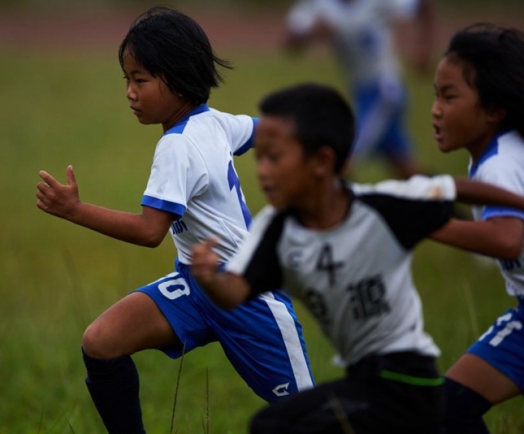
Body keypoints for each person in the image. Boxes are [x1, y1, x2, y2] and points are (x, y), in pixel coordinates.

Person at [35, 7, 313, 433]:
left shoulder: (177, 146)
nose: (129, 91)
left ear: (179, 78)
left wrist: (74, 210)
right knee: (101, 342)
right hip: (195, 285)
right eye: (127, 79)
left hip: (247, 298)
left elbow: (150, 232)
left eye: (140, 80)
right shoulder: (214, 122)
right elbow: (262, 130)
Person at [190, 82, 524, 433]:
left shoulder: (379, 206)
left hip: (409, 379)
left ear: (321, 162)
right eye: (260, 159)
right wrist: (211, 279)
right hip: (364, 381)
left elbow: (455, 188)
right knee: (270, 424)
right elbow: (235, 292)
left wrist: (518, 204)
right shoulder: (275, 229)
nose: (262, 170)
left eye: (274, 158)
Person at [427, 23, 524, 433]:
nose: (435, 108)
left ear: (494, 109)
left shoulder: (499, 163)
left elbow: (506, 238)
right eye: (435, 94)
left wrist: (425, 224)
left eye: (449, 97)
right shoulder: (499, 152)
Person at [283, 0, 434, 180]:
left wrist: (423, 49)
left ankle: (331, 207)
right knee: (406, 170)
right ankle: (443, 200)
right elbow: (290, 42)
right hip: (361, 93)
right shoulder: (321, 5)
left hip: (383, 90)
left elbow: (422, 6)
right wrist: (313, 33)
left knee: (342, 160)